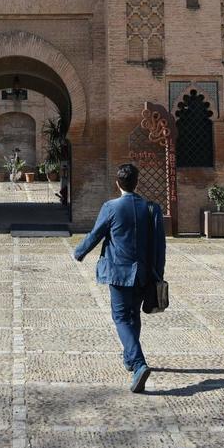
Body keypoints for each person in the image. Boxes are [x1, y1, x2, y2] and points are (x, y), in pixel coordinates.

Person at [72, 163, 167, 393]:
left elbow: (96, 234)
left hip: (119, 273)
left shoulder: (111, 207)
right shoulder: (151, 208)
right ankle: (129, 357)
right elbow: (160, 246)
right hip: (144, 274)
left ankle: (138, 363)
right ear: (136, 183)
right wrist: (158, 274)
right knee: (133, 317)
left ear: (117, 183)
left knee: (122, 318)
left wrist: (79, 252)